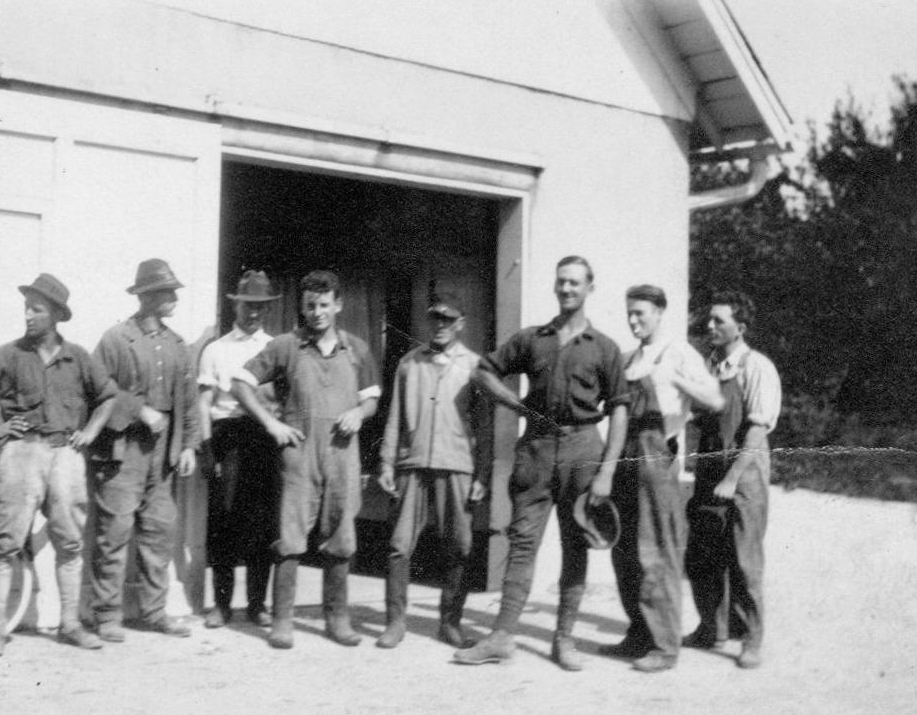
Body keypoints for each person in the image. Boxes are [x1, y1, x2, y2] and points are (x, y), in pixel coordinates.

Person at [455, 255, 629, 671]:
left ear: (590, 288)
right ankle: (501, 637)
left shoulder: (605, 348)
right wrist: (515, 404)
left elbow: (619, 410)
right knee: (522, 543)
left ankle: (564, 640)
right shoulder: (533, 339)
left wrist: (606, 471)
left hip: (584, 449)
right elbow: (484, 372)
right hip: (536, 448)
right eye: (561, 282)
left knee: (576, 545)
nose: (566, 289)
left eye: (575, 283)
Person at [0, 273, 117, 658]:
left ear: (57, 314)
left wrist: (90, 431)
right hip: (21, 455)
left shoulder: (78, 357)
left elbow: (108, 396)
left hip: (65, 456)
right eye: (26, 307)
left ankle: (71, 624)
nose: (28, 315)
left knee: (70, 543)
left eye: (37, 309)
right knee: (4, 544)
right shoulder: (10, 355)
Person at [231, 270, 380, 650]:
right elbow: (240, 382)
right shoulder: (286, 346)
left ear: (339, 305)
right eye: (310, 305)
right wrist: (271, 424)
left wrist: (359, 414)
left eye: (324, 305)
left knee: (341, 536)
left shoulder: (357, 349)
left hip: (343, 454)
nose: (317, 313)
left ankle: (338, 620)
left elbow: (372, 400)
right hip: (299, 455)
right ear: (302, 306)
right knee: (291, 536)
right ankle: (282, 621)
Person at [603, 284, 724, 673]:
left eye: (641, 313)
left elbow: (715, 399)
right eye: (630, 313)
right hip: (625, 456)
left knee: (657, 553)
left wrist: (676, 380)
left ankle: (666, 645)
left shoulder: (678, 353)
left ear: (659, 313)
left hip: (658, 455)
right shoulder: (630, 357)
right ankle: (638, 634)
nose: (634, 320)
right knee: (625, 552)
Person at [89, 259, 202, 640]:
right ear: (147, 296)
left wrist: (188, 445)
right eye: (167, 292)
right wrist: (138, 410)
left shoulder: (177, 345)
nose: (174, 298)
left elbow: (188, 400)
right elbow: (96, 390)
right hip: (123, 452)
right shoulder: (116, 339)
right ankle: (106, 616)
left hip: (163, 456)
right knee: (114, 533)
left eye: (173, 291)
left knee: (159, 534)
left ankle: (154, 613)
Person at [376, 292, 491, 650]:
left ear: (461, 324)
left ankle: (450, 622)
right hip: (412, 463)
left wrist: (482, 476)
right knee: (398, 546)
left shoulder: (474, 366)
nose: (440, 326)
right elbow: (394, 415)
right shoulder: (410, 363)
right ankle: (395, 623)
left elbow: (485, 427)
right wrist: (386, 461)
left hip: (456, 464)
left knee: (458, 545)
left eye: (448, 320)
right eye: (435, 319)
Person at [683, 290, 782, 669]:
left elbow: (757, 431)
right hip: (710, 469)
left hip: (744, 473)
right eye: (708, 321)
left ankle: (751, 638)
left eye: (718, 321)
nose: (709, 327)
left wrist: (733, 477)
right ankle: (712, 628)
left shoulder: (757, 367)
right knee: (703, 552)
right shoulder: (708, 368)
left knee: (744, 558)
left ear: (740, 328)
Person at [195, 270, 283, 629]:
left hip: (262, 437)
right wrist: (206, 449)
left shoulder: (276, 347)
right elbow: (203, 402)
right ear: (236, 305)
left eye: (261, 308)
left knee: (262, 523)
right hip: (227, 436)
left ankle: (257, 604)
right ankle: (220, 604)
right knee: (224, 521)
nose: (254, 314)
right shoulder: (216, 349)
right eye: (248, 306)